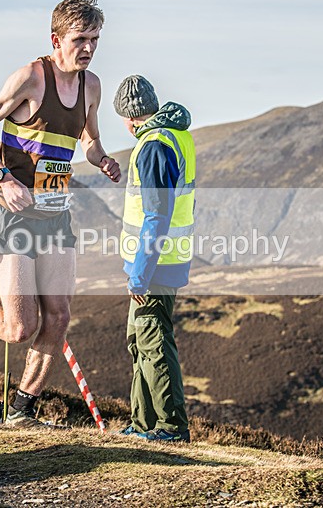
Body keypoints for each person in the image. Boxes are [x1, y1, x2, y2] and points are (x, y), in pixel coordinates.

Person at [0, 0, 121, 428]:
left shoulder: (91, 86)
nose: (88, 48)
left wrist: (103, 159)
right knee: (20, 328)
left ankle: (21, 410)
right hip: (12, 211)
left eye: (95, 39)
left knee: (58, 316)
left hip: (55, 212)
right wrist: (2, 176)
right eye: (80, 39)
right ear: (56, 39)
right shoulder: (31, 78)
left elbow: (89, 141)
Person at [113, 75, 195, 442]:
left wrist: (140, 275)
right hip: (158, 262)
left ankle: (170, 426)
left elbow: (156, 215)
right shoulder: (174, 136)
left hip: (154, 265)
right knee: (140, 339)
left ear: (130, 118)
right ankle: (143, 423)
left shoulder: (153, 146)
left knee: (153, 341)